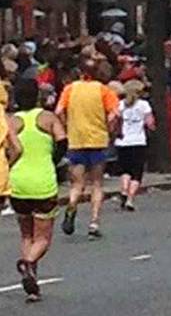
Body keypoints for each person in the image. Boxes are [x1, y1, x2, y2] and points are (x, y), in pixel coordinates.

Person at [10, 78, 66, 303]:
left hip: (18, 182)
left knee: (26, 233)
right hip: (43, 181)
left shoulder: (11, 121)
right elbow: (62, 142)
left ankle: (32, 283)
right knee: (42, 238)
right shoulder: (47, 117)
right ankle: (28, 263)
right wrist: (52, 160)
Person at [56, 58, 120, 239]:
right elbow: (115, 114)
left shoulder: (70, 89)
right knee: (97, 183)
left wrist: (66, 126)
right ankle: (94, 221)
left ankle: (72, 204)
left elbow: (59, 111)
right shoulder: (104, 90)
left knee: (77, 183)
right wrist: (109, 129)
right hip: (98, 140)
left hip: (76, 140)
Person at [115, 80, 154, 212]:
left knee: (125, 170)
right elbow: (150, 123)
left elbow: (114, 120)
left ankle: (124, 190)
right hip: (138, 141)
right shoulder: (144, 105)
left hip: (122, 141)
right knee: (136, 173)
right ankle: (130, 199)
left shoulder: (120, 105)